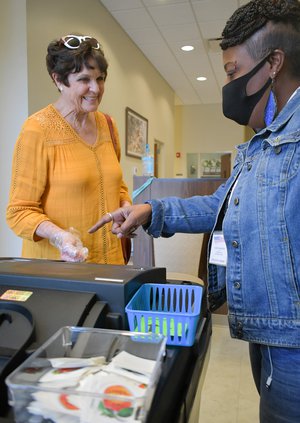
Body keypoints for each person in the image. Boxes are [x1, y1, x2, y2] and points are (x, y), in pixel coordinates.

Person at [89, 1, 300, 421]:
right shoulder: (264, 144)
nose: (228, 84)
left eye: (232, 71)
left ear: (273, 62)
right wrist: (151, 211)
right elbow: (218, 205)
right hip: (271, 333)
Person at [6, 34, 131, 264]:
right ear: (59, 80)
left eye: (100, 78)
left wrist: (125, 207)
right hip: (60, 270)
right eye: (84, 79)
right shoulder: (37, 129)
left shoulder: (109, 126)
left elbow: (117, 187)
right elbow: (19, 212)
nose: (96, 88)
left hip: (111, 268)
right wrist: (59, 236)